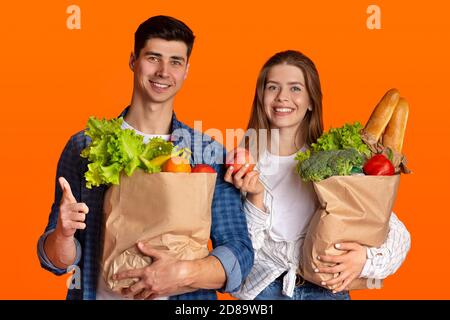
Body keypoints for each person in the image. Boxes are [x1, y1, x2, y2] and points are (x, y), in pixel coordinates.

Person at [37, 15, 254, 300]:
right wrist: (63, 235)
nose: (164, 71)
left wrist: (183, 273)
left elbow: (239, 251)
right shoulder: (86, 145)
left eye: (175, 61)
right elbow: (58, 261)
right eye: (153, 57)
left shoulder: (207, 153)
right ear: (133, 60)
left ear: (187, 70)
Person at [225, 50, 411, 300]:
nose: (282, 98)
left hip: (326, 292)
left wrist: (364, 260)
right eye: (272, 87)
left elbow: (393, 231)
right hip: (264, 292)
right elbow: (236, 248)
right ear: (261, 97)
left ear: (311, 100)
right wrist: (255, 198)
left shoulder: (333, 160)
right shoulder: (239, 163)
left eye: (295, 89)